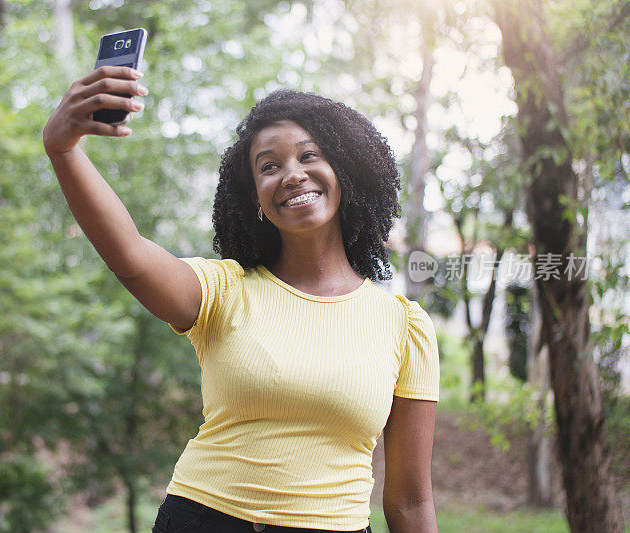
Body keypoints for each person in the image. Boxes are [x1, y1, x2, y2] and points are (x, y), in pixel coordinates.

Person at [43, 65, 440, 533]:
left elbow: (411, 501)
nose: (292, 175)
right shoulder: (222, 290)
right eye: (269, 166)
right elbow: (130, 254)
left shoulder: (403, 325)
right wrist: (63, 148)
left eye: (309, 156)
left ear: (345, 172)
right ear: (255, 199)